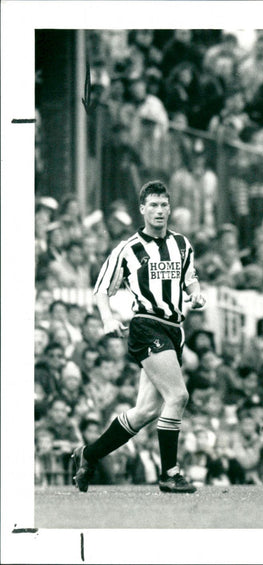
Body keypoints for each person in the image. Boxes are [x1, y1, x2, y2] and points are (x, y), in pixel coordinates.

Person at [72, 180, 207, 494]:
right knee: (178, 397)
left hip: (174, 330)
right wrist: (107, 318)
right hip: (147, 325)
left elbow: (191, 281)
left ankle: (87, 454)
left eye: (164, 205)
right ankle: (169, 473)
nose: (159, 211)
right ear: (142, 209)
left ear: (169, 208)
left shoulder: (182, 245)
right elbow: (102, 289)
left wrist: (196, 296)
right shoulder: (128, 248)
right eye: (153, 206)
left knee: (146, 411)